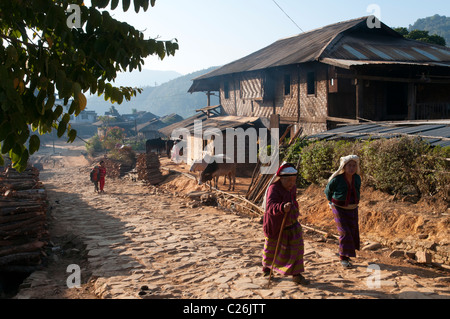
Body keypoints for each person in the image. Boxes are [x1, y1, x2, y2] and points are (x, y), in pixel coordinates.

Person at [261, 162, 309, 285]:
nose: (291, 184)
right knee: (271, 248)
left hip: (291, 222)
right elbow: (270, 206)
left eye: (293, 181)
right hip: (276, 224)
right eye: (288, 181)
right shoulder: (274, 188)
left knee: (297, 249)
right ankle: (267, 269)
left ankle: (296, 275)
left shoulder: (292, 187)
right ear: (281, 179)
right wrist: (282, 207)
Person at [324, 155, 361, 268]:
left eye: (354, 165)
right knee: (344, 232)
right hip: (338, 208)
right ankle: (343, 258)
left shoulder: (357, 178)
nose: (352, 168)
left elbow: (357, 190)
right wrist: (331, 202)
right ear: (344, 166)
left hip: (353, 209)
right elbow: (327, 191)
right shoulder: (337, 179)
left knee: (352, 231)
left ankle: (347, 254)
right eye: (349, 165)